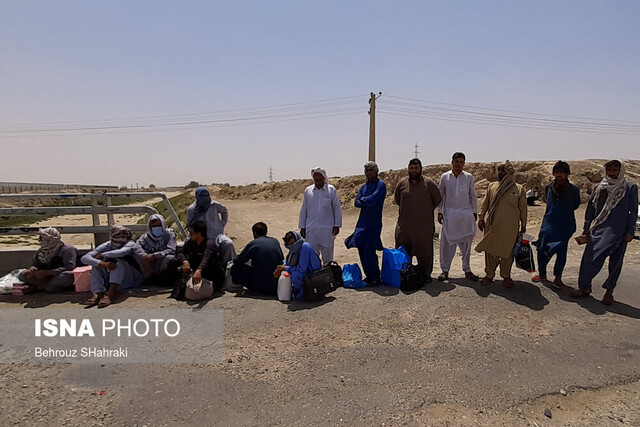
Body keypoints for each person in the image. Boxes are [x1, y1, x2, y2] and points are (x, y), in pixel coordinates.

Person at [571, 160, 638, 305]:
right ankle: (585, 287)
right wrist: (587, 227)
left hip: (620, 230)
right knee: (589, 258)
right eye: (610, 170)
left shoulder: (630, 187)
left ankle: (609, 292)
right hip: (599, 229)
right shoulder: (599, 187)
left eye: (615, 170)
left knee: (615, 262)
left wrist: (630, 230)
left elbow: (633, 210)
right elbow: (591, 208)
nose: (612, 173)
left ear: (620, 171)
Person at [475, 160, 527, 288]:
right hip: (492, 226)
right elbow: (485, 203)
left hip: (510, 228)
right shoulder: (492, 186)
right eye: (500, 170)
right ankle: (489, 275)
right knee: (490, 251)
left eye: (504, 170)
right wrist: (481, 218)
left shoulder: (519, 189)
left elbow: (523, 209)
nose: (501, 173)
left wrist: (524, 225)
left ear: (510, 172)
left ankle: (506, 276)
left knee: (508, 253)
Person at [532, 161, 580, 288]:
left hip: (565, 225)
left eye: (562, 173)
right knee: (541, 248)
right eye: (557, 172)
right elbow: (545, 201)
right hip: (548, 223)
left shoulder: (573, 190)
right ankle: (542, 274)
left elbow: (575, 205)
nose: (559, 175)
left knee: (561, 250)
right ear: (554, 173)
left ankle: (558, 277)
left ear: (567, 174)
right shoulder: (548, 187)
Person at [394, 158, 442, 282]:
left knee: (425, 251)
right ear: (408, 169)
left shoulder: (428, 183)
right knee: (403, 250)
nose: (414, 171)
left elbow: (437, 199)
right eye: (411, 168)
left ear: (420, 169)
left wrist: (425, 210)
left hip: (423, 226)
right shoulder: (402, 183)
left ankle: (425, 275)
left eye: (416, 168)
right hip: (405, 226)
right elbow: (398, 200)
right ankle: (405, 274)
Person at [437, 152, 479, 282]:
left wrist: (474, 211)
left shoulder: (468, 177)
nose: (459, 165)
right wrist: (440, 211)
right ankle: (445, 270)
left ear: (464, 163)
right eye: (457, 162)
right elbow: (441, 195)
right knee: (446, 245)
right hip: (449, 214)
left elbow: (472, 195)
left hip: (465, 215)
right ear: (452, 162)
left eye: (461, 162)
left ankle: (467, 269)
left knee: (466, 245)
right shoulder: (445, 177)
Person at [345, 161, 387, 286]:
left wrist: (364, 200)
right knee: (361, 248)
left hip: (374, 223)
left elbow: (374, 199)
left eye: (371, 170)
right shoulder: (364, 187)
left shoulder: (381, 185)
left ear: (376, 171)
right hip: (362, 223)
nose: (369, 173)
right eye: (367, 171)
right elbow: (356, 202)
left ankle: (375, 276)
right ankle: (369, 276)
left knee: (370, 249)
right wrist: (365, 201)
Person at [81, 225, 144, 308]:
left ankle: (110, 293)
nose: (121, 238)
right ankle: (98, 293)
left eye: (123, 235)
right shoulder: (107, 245)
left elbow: (121, 252)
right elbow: (84, 258)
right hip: (115, 277)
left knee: (118, 263)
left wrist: (103, 255)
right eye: (117, 235)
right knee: (96, 265)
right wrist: (100, 263)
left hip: (131, 277)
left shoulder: (130, 244)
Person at [298, 167, 343, 264]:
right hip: (311, 230)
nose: (317, 178)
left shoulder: (331, 190)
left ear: (324, 177)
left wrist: (337, 225)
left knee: (327, 258)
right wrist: (302, 226)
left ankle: (328, 276)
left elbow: (337, 208)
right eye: (315, 176)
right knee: (313, 258)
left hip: (327, 230)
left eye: (319, 175)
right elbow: (304, 209)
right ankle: (315, 277)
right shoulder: (308, 190)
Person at [173, 220, 225, 300]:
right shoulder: (190, 243)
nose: (189, 234)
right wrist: (185, 261)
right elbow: (180, 252)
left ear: (199, 234)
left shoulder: (209, 244)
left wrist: (199, 271)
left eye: (191, 232)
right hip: (194, 271)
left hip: (210, 274)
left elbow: (205, 259)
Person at [231, 222, 285, 296]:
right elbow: (281, 258)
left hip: (260, 284)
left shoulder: (253, 244)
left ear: (255, 233)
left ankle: (253, 289)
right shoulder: (275, 241)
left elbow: (239, 261)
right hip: (275, 284)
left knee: (235, 268)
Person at [18, 227, 77, 294]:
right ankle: (46, 286)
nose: (41, 241)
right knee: (22, 274)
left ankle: (39, 288)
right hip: (45, 277)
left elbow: (69, 267)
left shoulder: (67, 250)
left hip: (59, 275)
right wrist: (32, 270)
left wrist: (48, 272)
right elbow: (35, 264)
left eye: (43, 239)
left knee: (66, 277)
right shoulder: (41, 251)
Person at [186, 186, 236, 264]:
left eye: (207, 196)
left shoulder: (214, 205)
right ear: (197, 197)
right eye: (202, 196)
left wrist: (222, 224)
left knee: (228, 244)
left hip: (216, 235)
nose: (205, 198)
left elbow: (224, 211)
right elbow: (190, 225)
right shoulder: (192, 209)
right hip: (201, 237)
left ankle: (228, 267)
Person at [134, 214, 179, 287]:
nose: (156, 228)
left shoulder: (169, 234)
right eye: (154, 227)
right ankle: (149, 276)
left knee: (170, 258)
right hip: (149, 263)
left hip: (162, 261)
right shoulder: (145, 237)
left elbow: (171, 249)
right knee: (137, 254)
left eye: (159, 226)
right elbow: (136, 247)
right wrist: (145, 256)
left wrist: (155, 255)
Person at [274, 231, 321, 301]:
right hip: (306, 275)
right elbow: (288, 262)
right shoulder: (294, 250)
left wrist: (285, 268)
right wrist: (282, 267)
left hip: (314, 275)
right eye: (289, 244)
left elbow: (302, 269)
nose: (292, 245)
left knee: (295, 275)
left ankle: (301, 295)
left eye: (293, 243)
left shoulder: (305, 247)